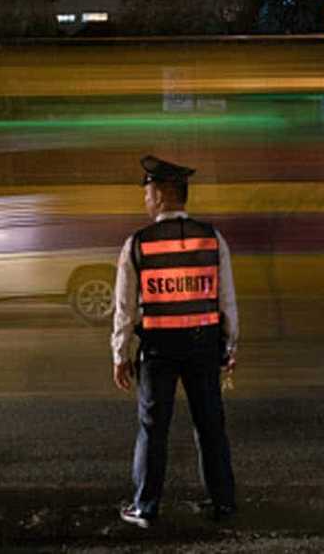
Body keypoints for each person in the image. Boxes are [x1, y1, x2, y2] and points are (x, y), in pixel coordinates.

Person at [112, 155, 239, 529]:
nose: (145, 199)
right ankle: (224, 505)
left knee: (154, 428)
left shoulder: (137, 243)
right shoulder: (213, 239)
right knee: (211, 426)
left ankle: (145, 507)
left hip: (158, 351)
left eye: (148, 191)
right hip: (203, 346)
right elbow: (226, 299)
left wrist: (121, 355)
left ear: (165, 193)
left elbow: (124, 309)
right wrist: (230, 346)